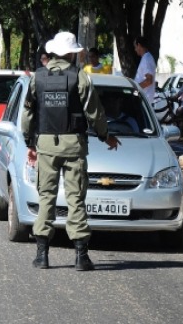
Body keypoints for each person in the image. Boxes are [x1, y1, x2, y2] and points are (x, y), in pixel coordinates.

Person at [21, 31, 120, 271]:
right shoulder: (80, 78)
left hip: (46, 145)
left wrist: (30, 143)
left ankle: (42, 255)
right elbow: (94, 112)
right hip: (74, 145)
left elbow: (27, 114)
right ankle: (81, 257)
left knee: (47, 196)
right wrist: (105, 135)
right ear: (71, 54)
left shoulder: (38, 78)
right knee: (76, 198)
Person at [134, 36, 156, 104]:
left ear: (139, 45)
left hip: (144, 100)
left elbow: (149, 81)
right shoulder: (146, 58)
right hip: (144, 99)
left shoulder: (146, 59)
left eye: (135, 47)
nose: (135, 49)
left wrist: (135, 89)